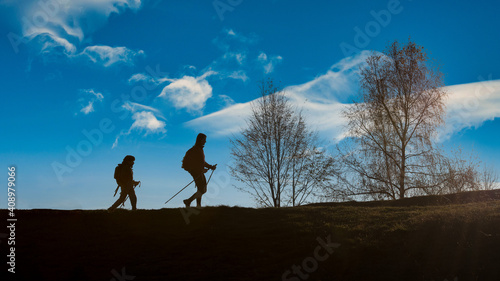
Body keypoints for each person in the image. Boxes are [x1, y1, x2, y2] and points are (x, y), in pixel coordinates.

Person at [182, 133, 216, 208]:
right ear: (200, 140)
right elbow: (199, 163)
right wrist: (208, 167)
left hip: (198, 171)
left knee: (201, 189)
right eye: (204, 140)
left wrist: (210, 167)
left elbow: (202, 162)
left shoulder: (199, 149)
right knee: (202, 189)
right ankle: (189, 201)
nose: (205, 141)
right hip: (196, 172)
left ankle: (197, 205)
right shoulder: (197, 149)